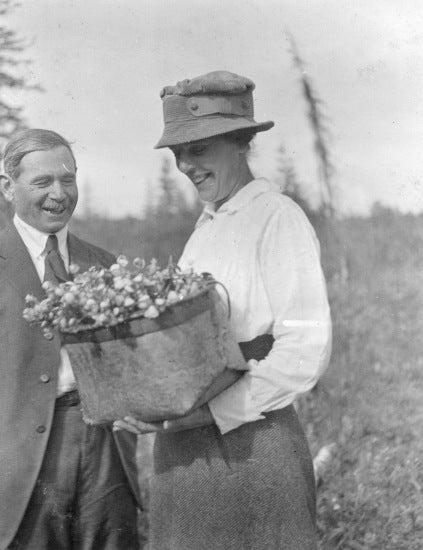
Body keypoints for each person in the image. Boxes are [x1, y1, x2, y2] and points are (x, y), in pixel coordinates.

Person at [115, 71, 332, 550]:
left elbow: (304, 351)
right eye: (179, 153)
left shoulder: (276, 218)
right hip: (183, 456)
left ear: (241, 141)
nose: (186, 166)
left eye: (199, 149)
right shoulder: (205, 230)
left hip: (252, 448)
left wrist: (212, 414)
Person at [0, 129, 141, 549]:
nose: (58, 194)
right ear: (8, 188)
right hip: (20, 462)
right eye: (42, 182)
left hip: (107, 451)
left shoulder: (105, 265)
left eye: (68, 179)